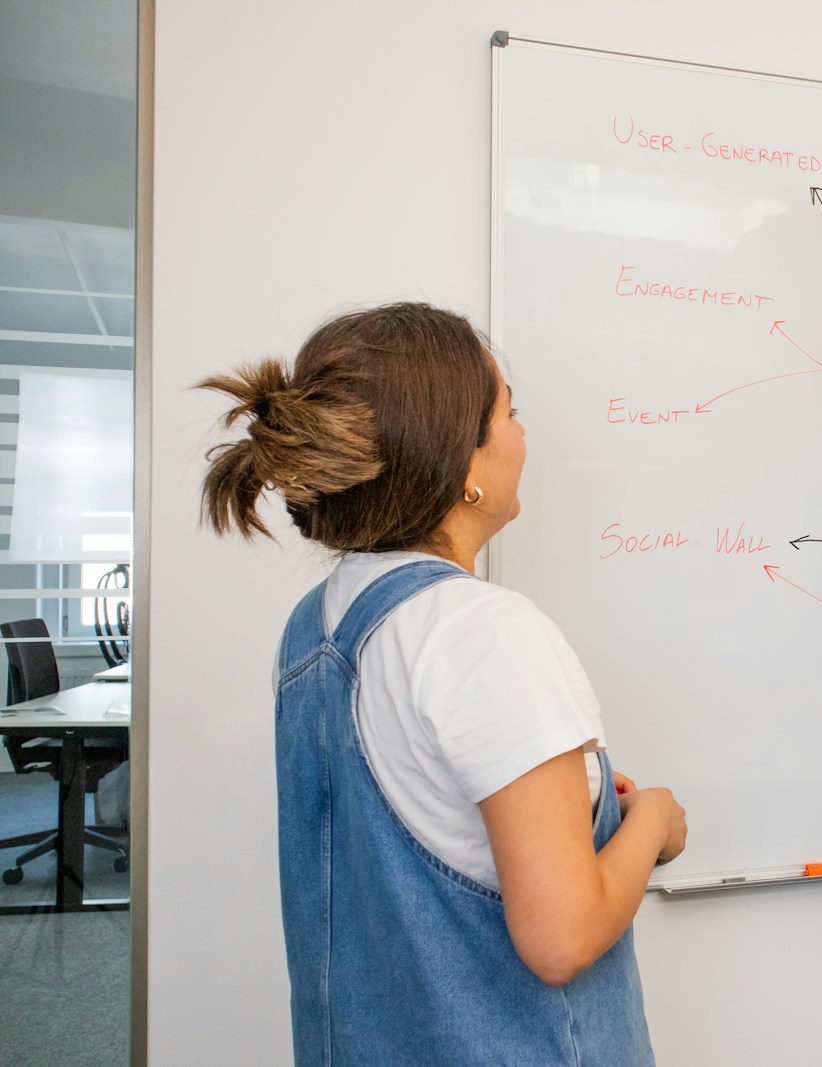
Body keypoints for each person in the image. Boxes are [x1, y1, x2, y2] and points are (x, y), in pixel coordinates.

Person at [198, 302, 685, 1065]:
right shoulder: (481, 631)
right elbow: (563, 938)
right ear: (463, 468)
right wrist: (653, 818)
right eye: (509, 413)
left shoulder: (315, 626)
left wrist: (572, 802)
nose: (524, 434)